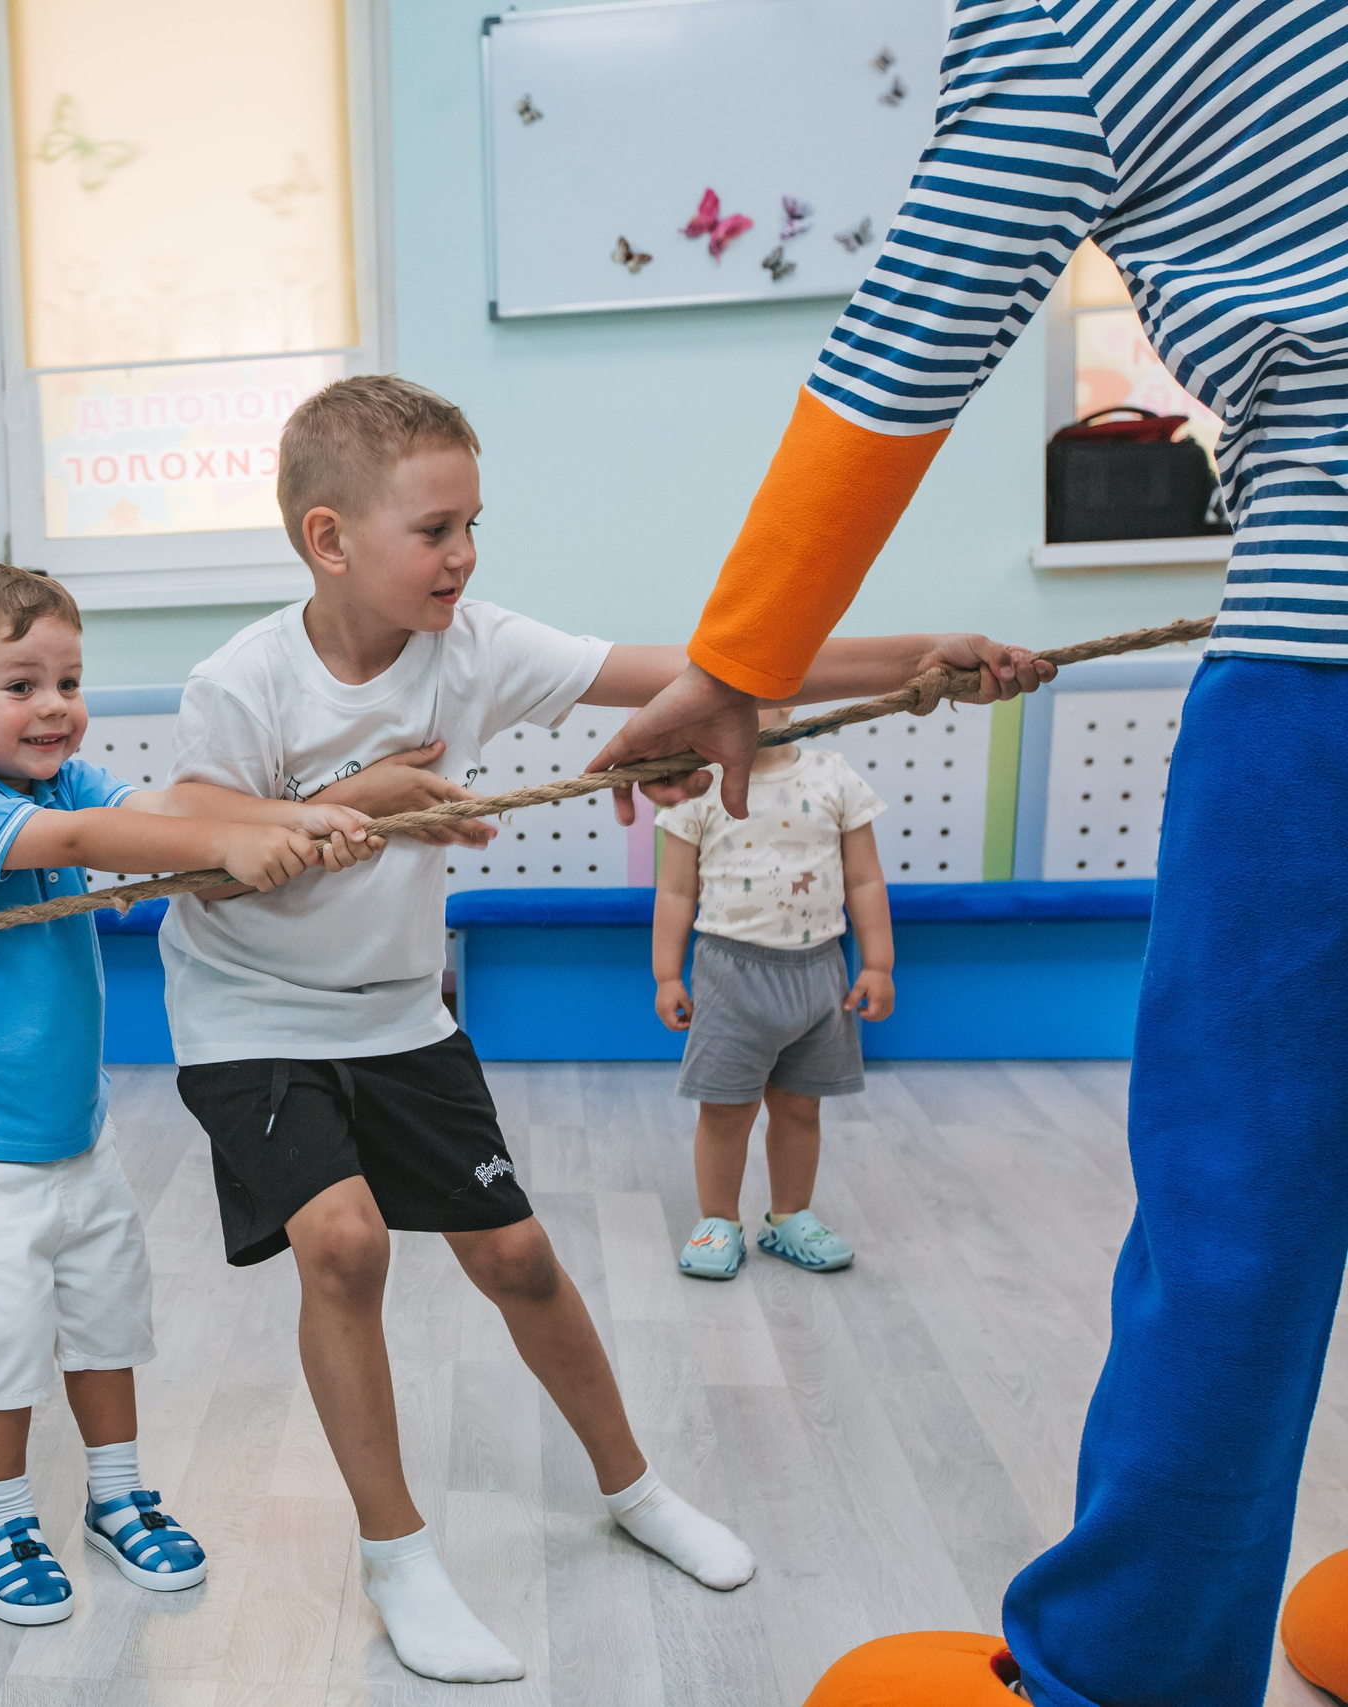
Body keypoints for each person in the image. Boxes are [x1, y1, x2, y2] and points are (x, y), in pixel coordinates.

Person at [586, 7, 1348, 1702]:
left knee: (1246, 1202)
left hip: (1329, 654)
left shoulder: (1080, 24)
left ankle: (1127, 1671)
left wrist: (742, 655)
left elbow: (910, 334)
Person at [160, 374, 1047, 1683]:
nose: (463, 554)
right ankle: (400, 1554)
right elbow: (194, 866)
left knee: (517, 1257)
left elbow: (716, 667)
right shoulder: (239, 683)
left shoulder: (479, 647)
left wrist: (929, 657)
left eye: (474, 524)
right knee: (342, 1246)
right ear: (330, 539)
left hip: (401, 1011)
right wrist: (362, 794)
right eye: (434, 530)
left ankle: (633, 1487)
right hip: (251, 1012)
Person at [0, 562, 377, 1627]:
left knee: (107, 1324)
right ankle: (1, 1518)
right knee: (3, 1339)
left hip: (74, 1133)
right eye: (20, 684)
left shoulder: (60, 778)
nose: (54, 705)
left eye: (68, 679)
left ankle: (115, 1496)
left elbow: (158, 816)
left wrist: (317, 815)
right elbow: (87, 845)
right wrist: (232, 837)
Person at [651, 707, 893, 1280]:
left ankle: (789, 1217)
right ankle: (718, 1222)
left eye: (767, 688)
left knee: (800, 1107)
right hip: (731, 973)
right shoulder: (698, 784)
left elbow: (864, 878)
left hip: (819, 973)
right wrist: (667, 975)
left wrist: (878, 963)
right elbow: (676, 891)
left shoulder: (835, 777)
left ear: (794, 692)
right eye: (733, 693)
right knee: (725, 1109)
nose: (752, 705)